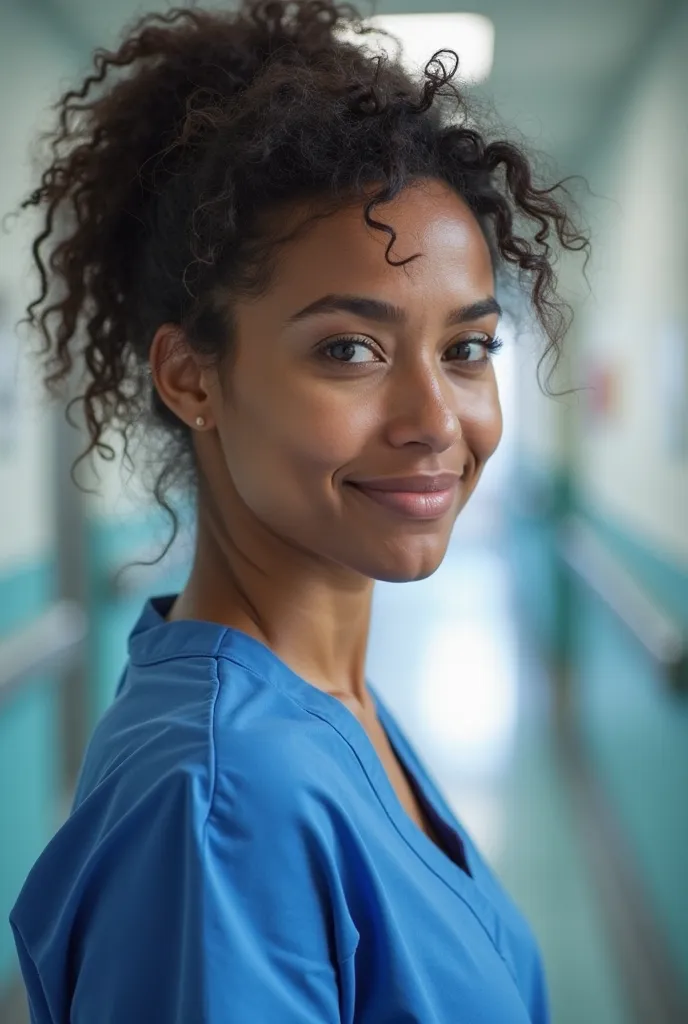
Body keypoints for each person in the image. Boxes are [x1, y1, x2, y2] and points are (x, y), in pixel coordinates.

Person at [10, 2, 587, 1021]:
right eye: (347, 349)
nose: (432, 421)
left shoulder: (329, 704)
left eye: (466, 349)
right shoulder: (224, 807)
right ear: (193, 377)